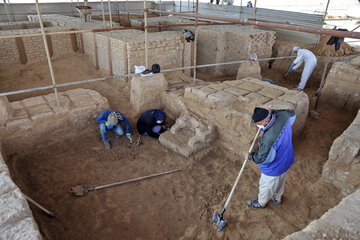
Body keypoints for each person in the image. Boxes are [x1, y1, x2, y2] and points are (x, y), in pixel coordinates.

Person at [245, 107, 296, 208]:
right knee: (281, 181)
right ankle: (277, 198)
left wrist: (250, 156)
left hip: (274, 168)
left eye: (259, 123)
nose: (258, 126)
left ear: (267, 121)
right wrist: (273, 111)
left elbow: (263, 158)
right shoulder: (283, 116)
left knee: (266, 185)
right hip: (286, 159)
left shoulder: (268, 139)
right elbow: (292, 114)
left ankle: (261, 203)